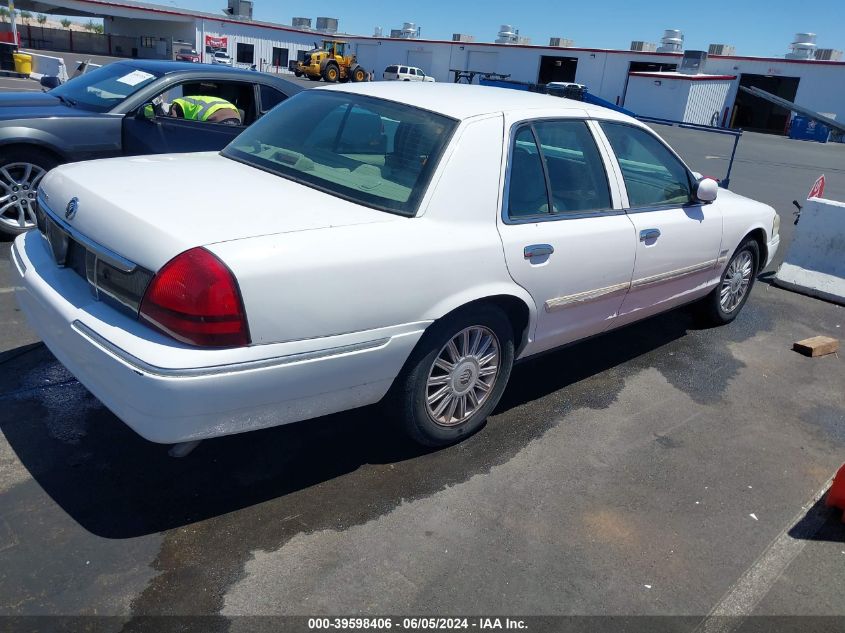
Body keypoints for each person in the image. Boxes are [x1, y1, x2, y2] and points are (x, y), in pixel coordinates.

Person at [170, 95, 242, 125]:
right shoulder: (189, 101)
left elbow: (172, 125)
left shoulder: (177, 104)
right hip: (235, 116)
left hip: (217, 118)